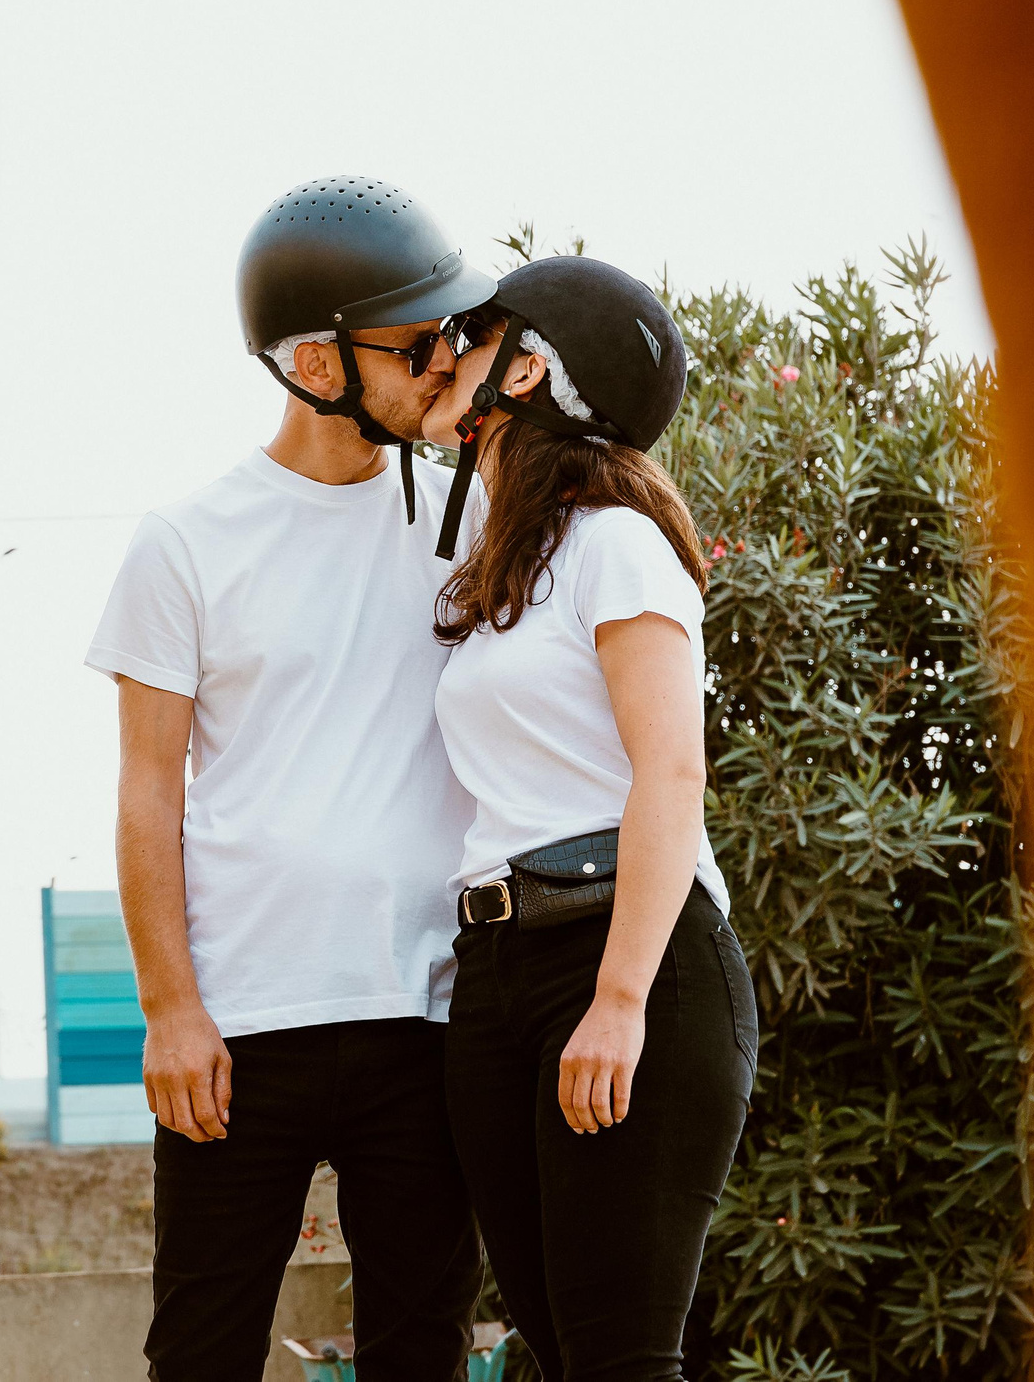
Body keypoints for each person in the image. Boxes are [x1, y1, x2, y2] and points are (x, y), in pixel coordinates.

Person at [86, 176, 494, 1382]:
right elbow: (146, 790)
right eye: (418, 344)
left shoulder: (467, 528)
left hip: (424, 1015)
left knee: (422, 1353)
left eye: (454, 338)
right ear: (317, 364)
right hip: (240, 1027)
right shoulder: (185, 541)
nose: (444, 366)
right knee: (201, 1356)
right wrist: (169, 1009)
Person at [421, 255, 758, 1382]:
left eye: (473, 337)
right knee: (556, 1357)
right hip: (500, 969)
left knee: (617, 1360)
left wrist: (618, 1003)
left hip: (626, 959)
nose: (450, 354)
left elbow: (670, 773)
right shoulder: (508, 567)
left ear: (529, 371)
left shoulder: (617, 545)